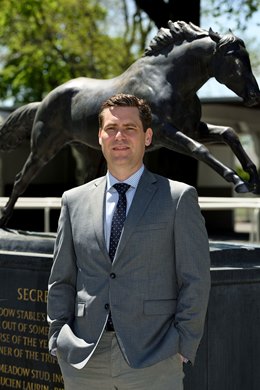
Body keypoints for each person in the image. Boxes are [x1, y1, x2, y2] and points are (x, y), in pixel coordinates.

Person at [47, 93, 211, 390]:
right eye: (111, 128)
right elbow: (61, 279)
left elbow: (195, 280)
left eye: (130, 128)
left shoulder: (178, 198)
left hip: (155, 357)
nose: (119, 136)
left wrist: (182, 346)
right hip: (84, 360)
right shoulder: (73, 200)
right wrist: (58, 336)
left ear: (147, 137)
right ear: (100, 137)